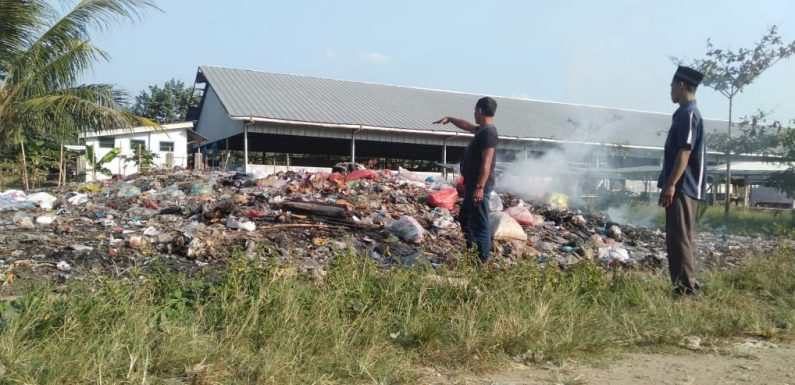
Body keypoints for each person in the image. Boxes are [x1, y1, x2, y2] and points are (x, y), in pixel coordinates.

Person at [658, 65, 707, 298]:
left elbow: (684, 152)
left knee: (680, 239)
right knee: (679, 237)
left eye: (671, 85)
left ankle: (686, 292)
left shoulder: (689, 114)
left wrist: (671, 184)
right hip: (682, 186)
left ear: (680, 85)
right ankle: (686, 286)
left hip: (683, 186)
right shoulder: (684, 113)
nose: (670, 90)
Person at [434, 97, 499, 263]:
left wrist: (480, 187)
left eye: (475, 111)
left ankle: (481, 262)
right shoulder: (482, 130)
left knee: (480, 225)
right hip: (472, 185)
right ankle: (473, 251)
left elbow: (487, 162)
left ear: (480, 111)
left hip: (479, 187)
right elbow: (466, 125)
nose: (474, 114)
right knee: (465, 217)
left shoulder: (489, 133)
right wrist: (450, 119)